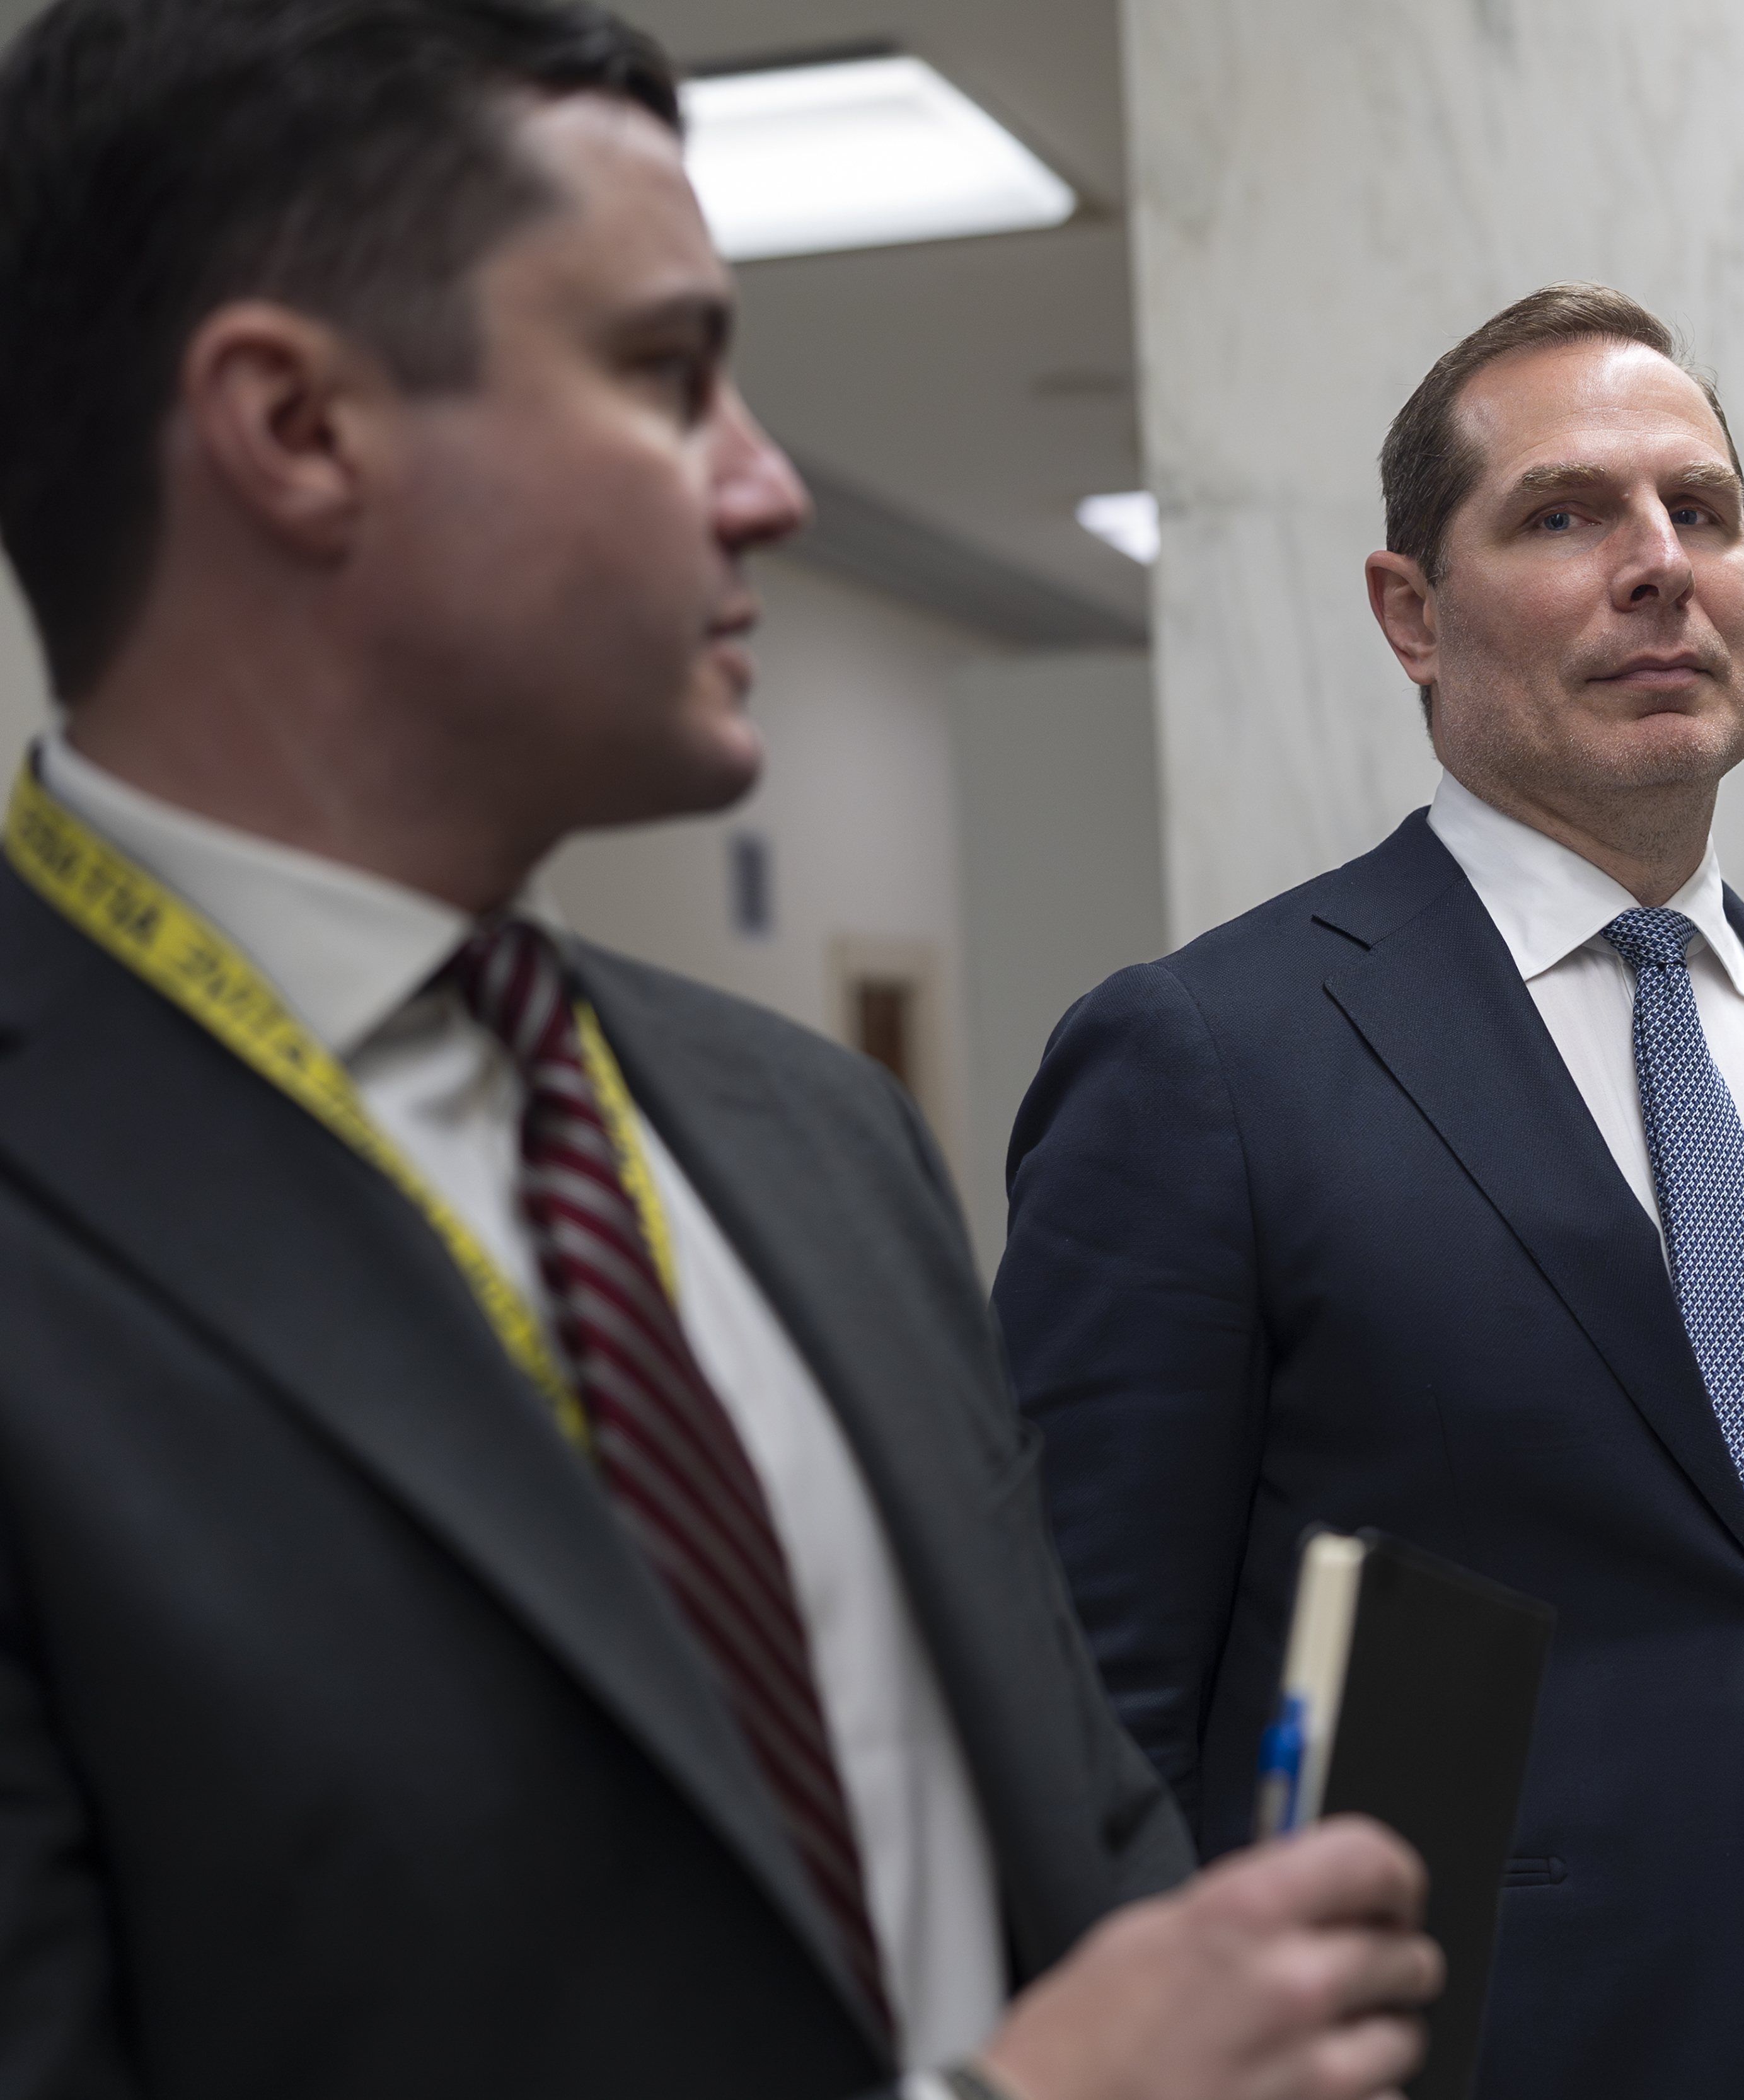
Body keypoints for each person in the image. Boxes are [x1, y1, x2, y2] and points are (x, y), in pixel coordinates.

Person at [0, 3, 1441, 2096]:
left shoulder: (819, 1140)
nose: (770, 485)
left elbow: (1077, 1841)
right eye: (671, 374)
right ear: (295, 429)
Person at [996, 284, 1744, 2099]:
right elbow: (1088, 1731)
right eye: (1565, 514)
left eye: (1700, 512)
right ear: (1413, 612)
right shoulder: (1206, 1065)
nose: (1659, 565)